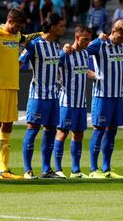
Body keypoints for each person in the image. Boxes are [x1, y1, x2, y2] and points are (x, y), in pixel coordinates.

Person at [0, 8, 41, 179]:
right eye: (16, 25)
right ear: (9, 21)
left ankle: (4, 169)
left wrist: (42, 33)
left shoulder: (17, 36)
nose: (18, 29)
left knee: (8, 125)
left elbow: (28, 41)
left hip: (12, 86)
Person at [19, 13, 66, 179]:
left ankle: (46, 170)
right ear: (52, 27)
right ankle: (27, 170)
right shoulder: (34, 45)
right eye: (61, 26)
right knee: (32, 130)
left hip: (54, 96)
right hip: (38, 96)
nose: (63, 28)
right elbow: (19, 62)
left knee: (51, 131)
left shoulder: (55, 45)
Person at [86, 20, 123, 179]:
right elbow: (78, 52)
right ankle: (93, 169)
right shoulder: (99, 44)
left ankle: (107, 168)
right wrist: (89, 72)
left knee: (112, 131)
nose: (121, 40)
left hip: (117, 96)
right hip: (102, 95)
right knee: (99, 130)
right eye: (119, 36)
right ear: (113, 30)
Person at [53, 25, 93, 179]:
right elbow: (52, 66)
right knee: (62, 133)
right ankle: (57, 168)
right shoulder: (65, 53)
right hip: (66, 102)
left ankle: (75, 170)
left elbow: (84, 71)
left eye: (89, 39)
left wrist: (97, 76)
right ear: (77, 37)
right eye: (85, 39)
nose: (87, 42)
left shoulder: (85, 54)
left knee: (78, 134)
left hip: (81, 103)